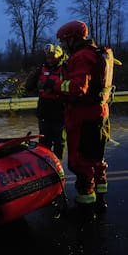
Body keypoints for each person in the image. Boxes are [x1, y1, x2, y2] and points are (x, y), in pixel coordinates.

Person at [42, 20, 111, 221]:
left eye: (64, 41)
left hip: (84, 117)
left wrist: (54, 86)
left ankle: (85, 206)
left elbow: (77, 88)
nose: (62, 46)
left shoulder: (81, 57)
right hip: (99, 114)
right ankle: (100, 200)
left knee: (81, 162)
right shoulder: (95, 53)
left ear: (72, 38)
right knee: (96, 159)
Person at [25, 44, 68, 161]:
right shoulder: (41, 69)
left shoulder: (65, 70)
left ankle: (58, 165)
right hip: (44, 110)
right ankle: (45, 165)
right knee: (44, 141)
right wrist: (33, 75)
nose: (50, 60)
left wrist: (51, 85)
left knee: (59, 141)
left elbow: (70, 88)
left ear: (58, 57)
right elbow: (28, 87)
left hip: (60, 111)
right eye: (48, 57)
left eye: (52, 57)